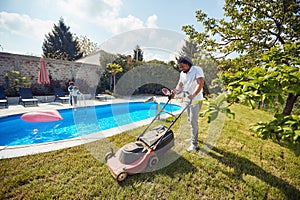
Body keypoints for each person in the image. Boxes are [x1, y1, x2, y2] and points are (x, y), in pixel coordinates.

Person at [172, 56, 205, 152]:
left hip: (196, 99)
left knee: (193, 121)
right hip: (187, 99)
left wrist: (193, 94)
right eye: (180, 67)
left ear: (188, 64)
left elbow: (200, 83)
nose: (181, 69)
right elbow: (180, 85)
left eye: (182, 66)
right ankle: (193, 137)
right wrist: (174, 92)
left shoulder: (197, 69)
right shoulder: (182, 73)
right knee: (190, 119)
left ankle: (194, 144)